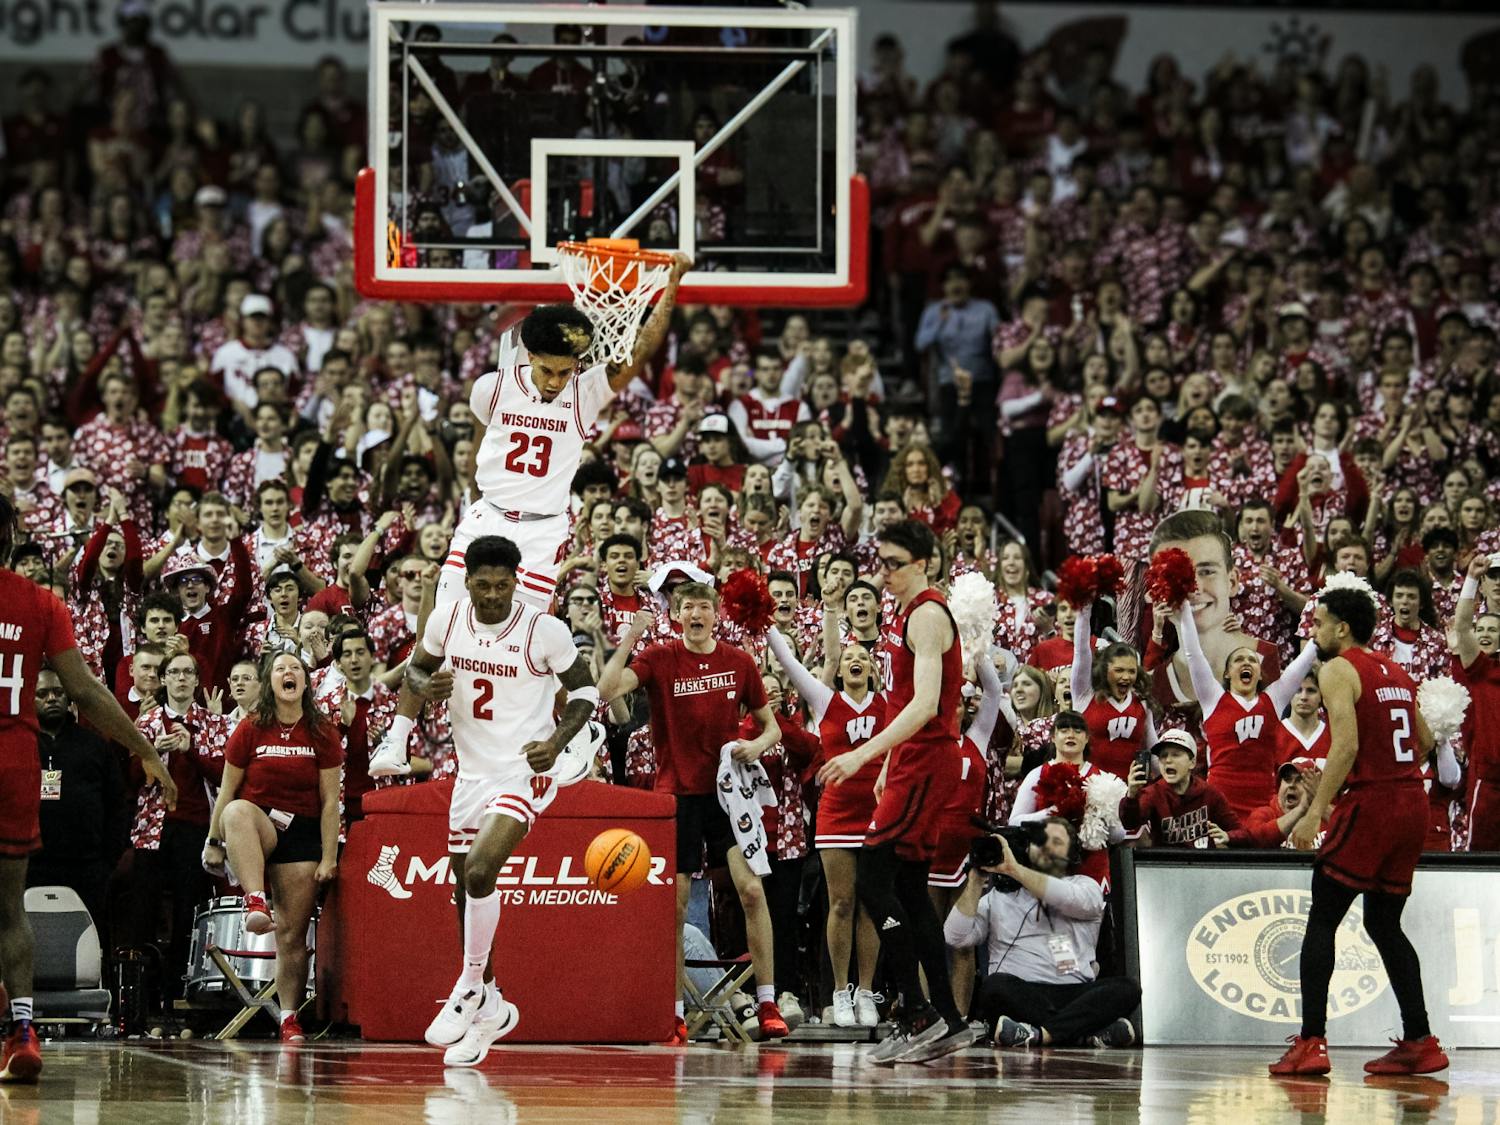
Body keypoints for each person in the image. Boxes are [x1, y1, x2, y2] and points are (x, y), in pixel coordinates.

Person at [367, 535, 600, 1066]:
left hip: (524, 770)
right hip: (469, 774)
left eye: (503, 584)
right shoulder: (447, 620)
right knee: (463, 892)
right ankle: (493, 1007)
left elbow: (586, 692)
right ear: (467, 582)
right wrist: (423, 693)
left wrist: (556, 743)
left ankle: (469, 986)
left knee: (478, 872)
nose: (494, 594)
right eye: (483, 584)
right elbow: (417, 672)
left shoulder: (544, 629)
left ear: (516, 582)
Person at [0, 494, 176, 1086]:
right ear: (10, 539)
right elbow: (86, 691)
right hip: (16, 761)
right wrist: (145, 748)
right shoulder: (40, 602)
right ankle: (22, 1029)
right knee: (9, 910)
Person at [437, 256, 691, 608]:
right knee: (445, 610)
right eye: (547, 371)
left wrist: (672, 282)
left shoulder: (584, 394)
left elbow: (643, 348)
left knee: (524, 631)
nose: (556, 382)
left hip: (542, 528)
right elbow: (482, 447)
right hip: (489, 513)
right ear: (528, 356)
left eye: (565, 372)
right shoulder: (490, 388)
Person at [1270, 585, 1448, 1077]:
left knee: (1322, 918)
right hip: (1412, 802)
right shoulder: (1395, 670)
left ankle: (1311, 1042)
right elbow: (1425, 739)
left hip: (1375, 804)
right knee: (1384, 923)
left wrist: (1316, 809)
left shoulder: (1337, 669)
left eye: (1320, 622)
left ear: (1342, 628)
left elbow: (1344, 745)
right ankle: (1420, 1039)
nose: (1314, 630)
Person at [600, 582, 788, 1046]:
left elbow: (772, 727)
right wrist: (631, 636)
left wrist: (756, 745)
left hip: (726, 795)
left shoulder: (739, 661)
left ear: (717, 613)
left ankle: (767, 1001)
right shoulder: (661, 657)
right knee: (678, 905)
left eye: (705, 606)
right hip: (678, 795)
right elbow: (608, 689)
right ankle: (675, 1010)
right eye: (689, 607)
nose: (698, 613)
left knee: (750, 890)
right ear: (677, 615)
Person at [816, 520, 975, 1064]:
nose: (884, 573)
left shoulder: (928, 615)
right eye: (880, 562)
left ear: (924, 563)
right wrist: (887, 760)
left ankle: (916, 1012)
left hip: (926, 759)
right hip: (912, 761)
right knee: (907, 889)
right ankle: (948, 1020)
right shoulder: (911, 615)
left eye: (894, 563)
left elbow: (927, 703)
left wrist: (864, 754)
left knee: (874, 879)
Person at [204, 653, 342, 1044]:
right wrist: (214, 842)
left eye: (296, 668)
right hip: (259, 826)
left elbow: (331, 800)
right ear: (269, 682)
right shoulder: (250, 728)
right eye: (281, 668)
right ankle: (255, 901)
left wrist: (329, 856)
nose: (289, 673)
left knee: (292, 938)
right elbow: (227, 790)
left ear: (306, 682)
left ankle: (288, 1017)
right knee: (236, 810)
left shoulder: (321, 730)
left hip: (303, 833)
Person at [767, 626, 885, 1029]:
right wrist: (766, 623)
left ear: (873, 670)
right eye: (849, 655)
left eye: (864, 657)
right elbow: (788, 662)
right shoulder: (825, 700)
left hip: (876, 815)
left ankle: (866, 991)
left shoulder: (888, 704)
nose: (856, 659)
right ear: (839, 670)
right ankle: (840, 991)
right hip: (836, 815)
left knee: (870, 908)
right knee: (840, 904)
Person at [944, 817, 1140, 1049]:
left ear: (1072, 852)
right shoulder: (999, 897)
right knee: (994, 987)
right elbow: (955, 936)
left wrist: (1016, 871)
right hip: (1023, 992)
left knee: (1127, 988)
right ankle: (1082, 1035)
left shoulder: (1085, 886)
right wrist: (976, 880)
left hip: (1074, 992)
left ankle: (1040, 1035)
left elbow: (1061, 896)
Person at [1170, 599, 1317, 819]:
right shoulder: (1213, 698)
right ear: (1227, 673)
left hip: (1263, 804)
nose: (1246, 663)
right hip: (1220, 803)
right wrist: (1184, 607)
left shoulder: (1273, 699)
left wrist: (1326, 619)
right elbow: (1193, 654)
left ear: (1259, 673)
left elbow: (1304, 661)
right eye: (1238, 660)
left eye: (1252, 660)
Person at [28, 669, 128, 942]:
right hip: (27, 866)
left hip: (86, 869)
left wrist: (106, 862)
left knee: (89, 943)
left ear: (70, 697)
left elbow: (117, 806)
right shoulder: (17, 744)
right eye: (42, 693)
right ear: (29, 698)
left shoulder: (95, 746)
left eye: (58, 693)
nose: (51, 699)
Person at [1120, 728, 1241, 847]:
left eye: (1176, 755)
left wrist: (1228, 836)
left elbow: (1239, 831)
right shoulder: (1153, 793)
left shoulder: (1210, 793)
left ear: (1192, 762)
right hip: (1165, 865)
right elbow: (1130, 823)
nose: (1168, 760)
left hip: (1203, 864)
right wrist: (1131, 796)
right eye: (1163, 756)